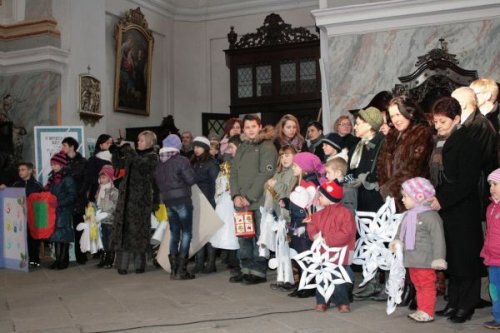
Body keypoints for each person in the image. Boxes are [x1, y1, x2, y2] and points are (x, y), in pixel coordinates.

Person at [427, 96, 483, 323]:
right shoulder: (440, 142)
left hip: (463, 209)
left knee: (465, 258)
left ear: (457, 118)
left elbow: (467, 181)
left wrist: (442, 199)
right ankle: (453, 302)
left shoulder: (467, 141)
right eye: (436, 122)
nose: (438, 126)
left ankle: (466, 305)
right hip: (446, 208)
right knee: (451, 257)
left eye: (443, 122)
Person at [389, 177, 446, 322]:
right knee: (418, 284)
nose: (402, 199)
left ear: (418, 197)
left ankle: (427, 311)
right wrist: (397, 241)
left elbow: (438, 238)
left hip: (425, 260)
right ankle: (421, 309)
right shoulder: (408, 215)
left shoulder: (431, 216)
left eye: (406, 197)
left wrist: (439, 258)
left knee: (426, 285)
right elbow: (400, 230)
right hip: (412, 258)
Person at [230, 114, 278, 285]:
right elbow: (233, 173)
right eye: (247, 127)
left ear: (260, 127)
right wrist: (235, 195)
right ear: (243, 130)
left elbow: (265, 173)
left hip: (257, 200)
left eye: (253, 126)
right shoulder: (242, 147)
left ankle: (258, 271)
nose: (250, 130)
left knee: (259, 236)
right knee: (244, 236)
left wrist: (249, 197)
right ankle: (246, 268)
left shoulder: (267, 146)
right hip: (241, 202)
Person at [111, 130, 159, 275]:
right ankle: (122, 265)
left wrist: (127, 149)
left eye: (142, 140)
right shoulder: (134, 154)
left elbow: (140, 165)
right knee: (125, 232)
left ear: (150, 142)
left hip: (141, 200)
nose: (138, 142)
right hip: (126, 199)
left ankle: (140, 265)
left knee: (139, 232)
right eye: (138, 140)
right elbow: (118, 164)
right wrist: (115, 151)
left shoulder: (152, 157)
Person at [377, 96, 434, 213]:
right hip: (391, 200)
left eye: (398, 114)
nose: (395, 119)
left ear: (409, 112)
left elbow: (413, 167)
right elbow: (381, 163)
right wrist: (383, 188)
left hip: (414, 198)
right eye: (392, 116)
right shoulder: (391, 135)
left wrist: (391, 189)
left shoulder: (421, 132)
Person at [306, 179, 356, 313]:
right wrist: (314, 234)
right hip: (322, 253)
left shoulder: (345, 213)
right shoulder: (319, 214)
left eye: (321, 196)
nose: (318, 198)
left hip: (340, 253)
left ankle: (342, 302)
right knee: (321, 277)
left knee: (337, 278)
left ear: (330, 197)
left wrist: (327, 240)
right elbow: (312, 225)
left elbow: (346, 233)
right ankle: (322, 301)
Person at [154, 134, 197, 280]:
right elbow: (191, 179)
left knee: (174, 234)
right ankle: (182, 270)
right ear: (177, 146)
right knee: (186, 233)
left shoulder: (160, 162)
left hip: (168, 201)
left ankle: (173, 271)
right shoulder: (181, 160)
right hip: (182, 200)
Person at [210, 135, 242, 272]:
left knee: (238, 230)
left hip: (239, 198)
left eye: (231, 147)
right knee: (229, 229)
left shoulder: (243, 161)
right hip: (227, 198)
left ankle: (238, 261)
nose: (229, 150)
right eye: (228, 147)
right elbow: (221, 180)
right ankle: (232, 259)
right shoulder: (226, 163)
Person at [190, 136, 220, 274]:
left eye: (199, 147)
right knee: (198, 233)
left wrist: (214, 203)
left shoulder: (212, 163)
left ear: (206, 148)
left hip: (208, 201)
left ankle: (211, 263)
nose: (196, 149)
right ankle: (199, 262)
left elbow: (216, 184)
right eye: (195, 146)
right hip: (196, 201)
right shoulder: (194, 162)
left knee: (208, 233)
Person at [45, 151, 76, 270]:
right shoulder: (52, 178)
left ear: (62, 165)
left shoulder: (67, 178)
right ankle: (58, 260)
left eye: (55, 164)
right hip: (54, 211)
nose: (53, 166)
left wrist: (58, 203)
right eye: (52, 164)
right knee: (56, 236)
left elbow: (72, 196)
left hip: (63, 210)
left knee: (62, 236)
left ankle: (63, 261)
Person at [61, 136, 88, 265]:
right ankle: (63, 258)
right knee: (64, 228)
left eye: (65, 145)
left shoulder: (82, 161)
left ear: (72, 147)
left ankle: (81, 256)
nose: (62, 148)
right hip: (65, 199)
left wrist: (79, 193)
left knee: (79, 228)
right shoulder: (61, 160)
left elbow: (85, 179)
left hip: (78, 198)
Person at [10, 162, 43, 268]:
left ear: (30, 171)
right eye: (19, 170)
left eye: (23, 169)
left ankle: (34, 260)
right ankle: (22, 260)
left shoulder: (37, 185)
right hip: (19, 218)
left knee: (33, 239)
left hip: (33, 217)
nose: (20, 172)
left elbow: (41, 202)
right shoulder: (15, 185)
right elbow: (10, 198)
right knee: (20, 239)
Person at [481, 168, 500, 329]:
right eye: (490, 184)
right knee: (494, 290)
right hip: (493, 258)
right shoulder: (491, 208)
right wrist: (486, 251)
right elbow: (489, 234)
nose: (491, 188)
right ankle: (497, 317)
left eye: (495, 184)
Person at [95, 165, 119, 269]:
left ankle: (110, 257)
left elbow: (116, 205)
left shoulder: (113, 191)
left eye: (104, 177)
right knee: (103, 239)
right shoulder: (99, 190)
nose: (101, 180)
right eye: (100, 177)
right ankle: (104, 256)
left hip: (110, 219)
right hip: (101, 220)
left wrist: (108, 213)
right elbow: (97, 203)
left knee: (110, 240)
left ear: (109, 177)